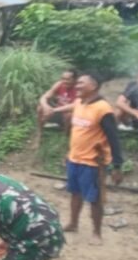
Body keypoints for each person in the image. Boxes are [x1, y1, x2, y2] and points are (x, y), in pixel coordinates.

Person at [51, 73, 124, 243]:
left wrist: (117, 165)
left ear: (93, 86)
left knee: (95, 199)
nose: (76, 86)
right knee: (75, 193)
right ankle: (73, 223)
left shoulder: (103, 109)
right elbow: (78, 133)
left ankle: (97, 233)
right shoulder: (79, 103)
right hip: (74, 159)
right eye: (76, 84)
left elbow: (114, 138)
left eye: (81, 83)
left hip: (93, 163)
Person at [36, 69, 78, 142]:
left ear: (74, 80)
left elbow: (75, 105)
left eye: (68, 79)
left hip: (72, 116)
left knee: (69, 114)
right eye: (63, 79)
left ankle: (66, 135)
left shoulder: (78, 89)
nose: (64, 81)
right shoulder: (59, 84)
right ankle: (40, 132)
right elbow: (44, 97)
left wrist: (53, 110)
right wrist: (46, 106)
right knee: (40, 108)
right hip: (58, 112)